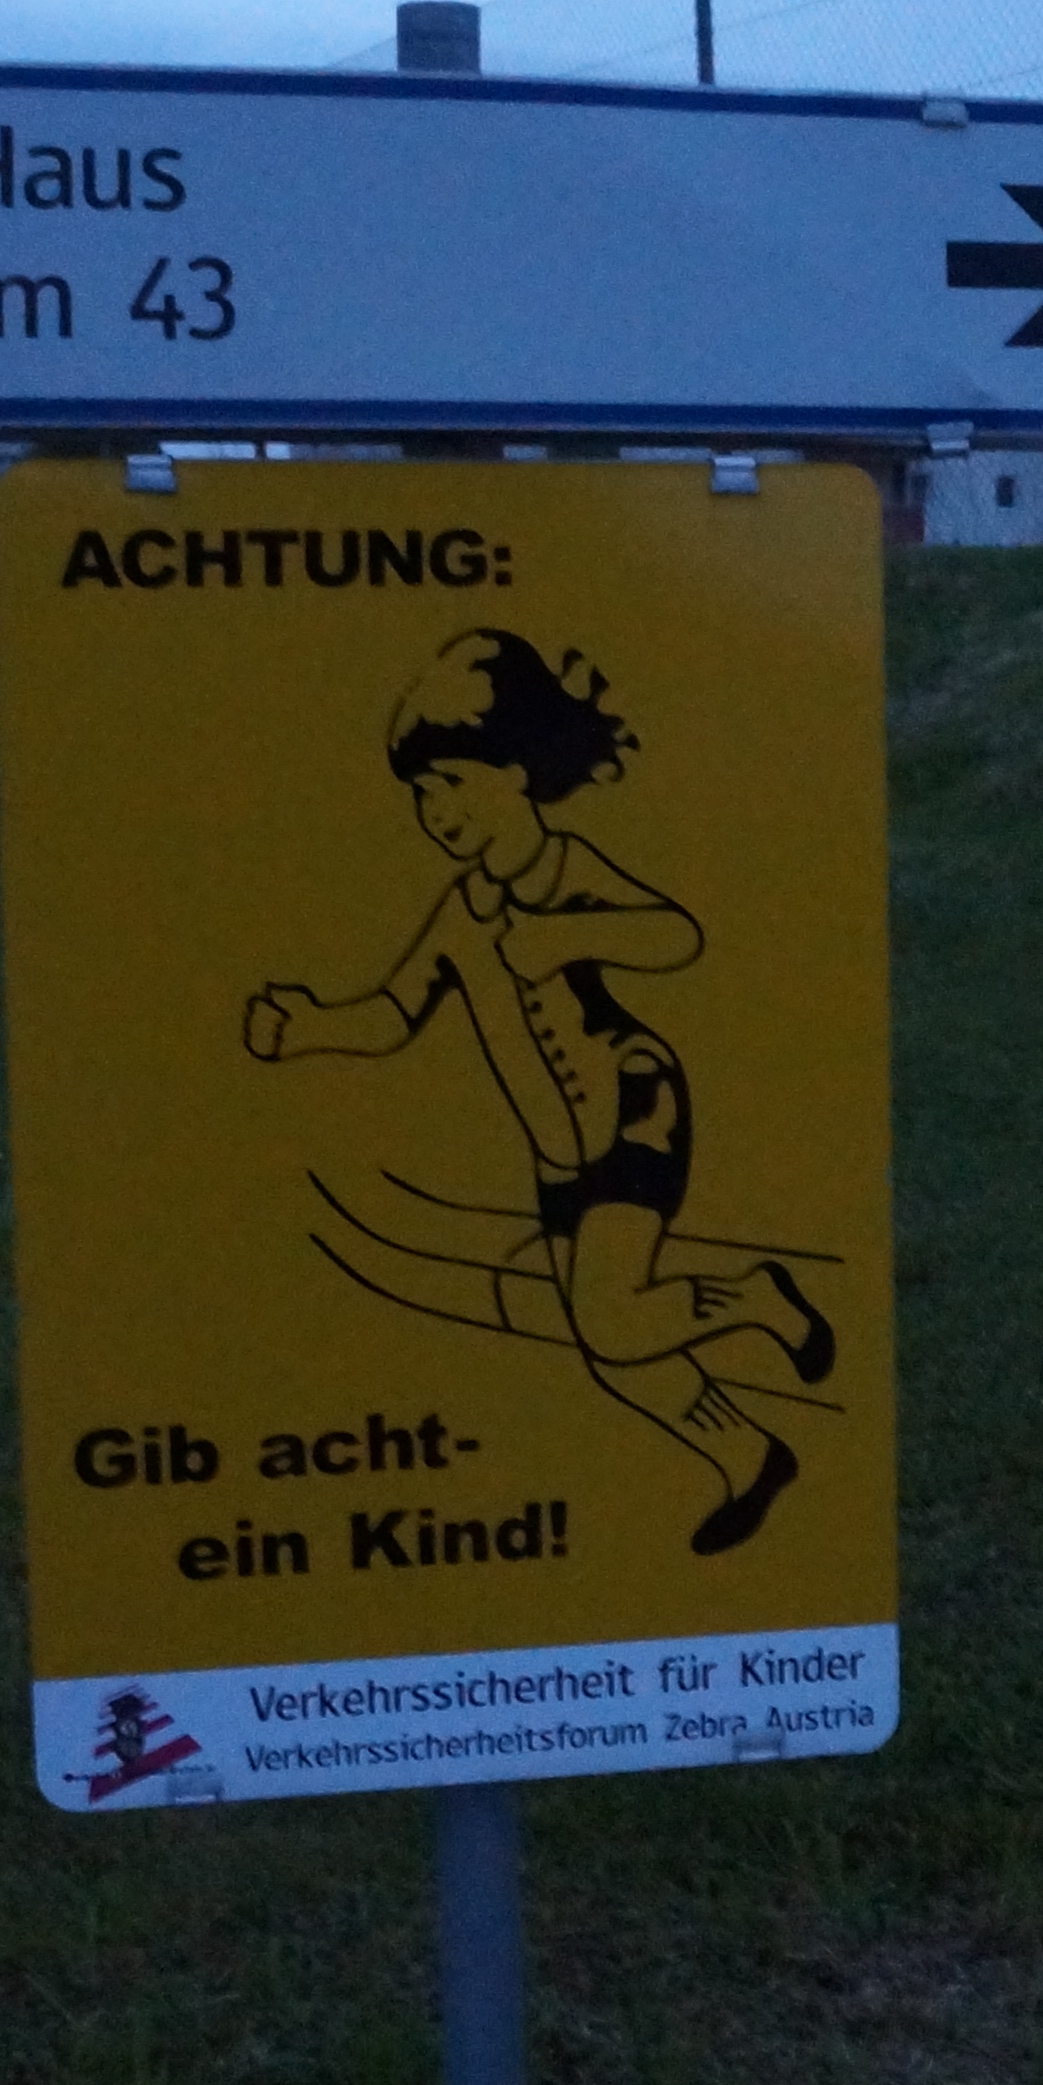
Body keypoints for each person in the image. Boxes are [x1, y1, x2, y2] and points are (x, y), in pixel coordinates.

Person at [246, 630, 832, 1553]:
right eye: (423, 793)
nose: (437, 811)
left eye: (454, 783)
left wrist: (568, 938)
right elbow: (395, 1013)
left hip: (634, 1105)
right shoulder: (463, 910)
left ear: (515, 773)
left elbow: (674, 933)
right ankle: (748, 1454)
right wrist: (307, 1027)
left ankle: (758, 1300)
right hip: (559, 1156)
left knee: (614, 1320)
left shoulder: (567, 871)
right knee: (611, 1350)